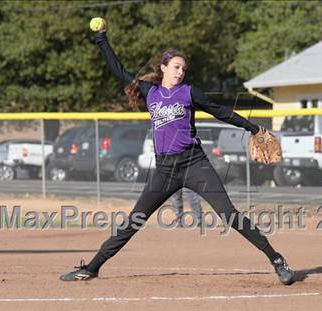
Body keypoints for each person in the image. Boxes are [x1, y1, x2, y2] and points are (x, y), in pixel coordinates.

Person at [60, 19, 294, 285]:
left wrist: (253, 128)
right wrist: (101, 39)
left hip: (195, 164)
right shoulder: (150, 91)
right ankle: (92, 267)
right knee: (134, 221)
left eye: (183, 68)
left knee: (229, 214)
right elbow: (119, 71)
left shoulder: (189, 92)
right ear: (163, 68)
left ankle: (276, 258)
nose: (181, 72)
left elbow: (221, 111)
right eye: (176, 67)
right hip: (164, 170)